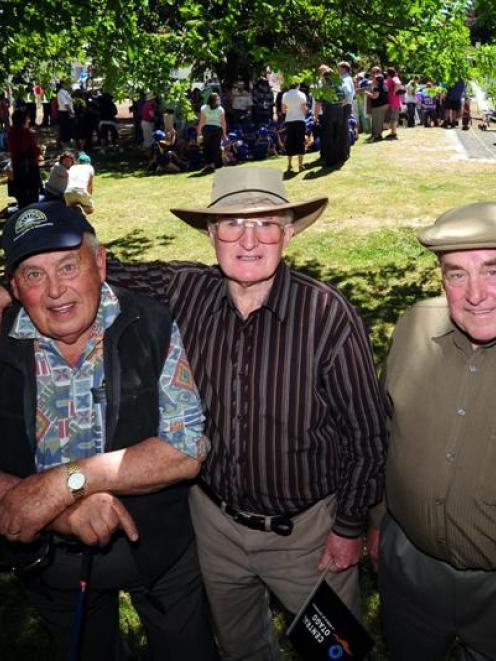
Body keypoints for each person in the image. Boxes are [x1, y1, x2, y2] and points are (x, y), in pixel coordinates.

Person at [103, 167, 387, 661]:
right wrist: (25, 276)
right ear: (211, 235)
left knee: (334, 653)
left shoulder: (328, 316)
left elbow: (367, 436)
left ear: (289, 232)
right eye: (232, 224)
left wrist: (347, 528)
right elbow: (93, 269)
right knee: (241, 649)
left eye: (266, 224)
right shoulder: (187, 291)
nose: (249, 240)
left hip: (308, 536)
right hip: (215, 527)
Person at [0, 201, 218, 661]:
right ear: (15, 288)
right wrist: (60, 515)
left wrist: (69, 482)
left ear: (99, 264)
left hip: (159, 551)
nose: (56, 290)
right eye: (34, 275)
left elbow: (184, 449)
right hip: (50, 561)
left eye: (67, 265)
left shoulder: (149, 324)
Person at [375, 202, 496, 661]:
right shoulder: (413, 327)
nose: (477, 294)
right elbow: (387, 432)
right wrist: (378, 523)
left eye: (492, 270)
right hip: (409, 570)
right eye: (456, 274)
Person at [7, 109, 42, 209]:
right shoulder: (25, 132)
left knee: (21, 192)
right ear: (23, 119)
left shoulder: (11, 131)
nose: (29, 120)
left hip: (17, 165)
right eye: (27, 118)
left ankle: (23, 210)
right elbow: (25, 148)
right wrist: (37, 149)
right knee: (32, 193)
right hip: (29, 166)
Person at [197, 92, 227, 174]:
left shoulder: (204, 108)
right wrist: (224, 134)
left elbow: (202, 121)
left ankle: (208, 165)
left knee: (207, 147)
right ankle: (212, 165)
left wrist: (199, 131)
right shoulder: (220, 109)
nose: (219, 100)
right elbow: (223, 123)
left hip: (207, 129)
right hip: (216, 129)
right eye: (218, 99)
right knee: (214, 147)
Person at [281, 81, 308, 172]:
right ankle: (300, 165)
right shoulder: (302, 94)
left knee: (290, 142)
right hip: (300, 120)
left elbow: (284, 110)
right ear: (298, 85)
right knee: (300, 141)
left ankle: (289, 165)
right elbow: (304, 109)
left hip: (289, 120)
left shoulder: (285, 95)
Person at [365, 69, 389, 142]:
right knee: (380, 121)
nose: (373, 80)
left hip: (378, 106)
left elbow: (375, 96)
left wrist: (368, 94)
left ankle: (377, 136)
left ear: (377, 80)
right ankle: (376, 135)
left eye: (375, 79)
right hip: (385, 105)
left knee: (376, 122)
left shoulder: (377, 87)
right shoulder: (384, 86)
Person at [384, 67, 403, 140]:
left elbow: (398, 84)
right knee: (394, 117)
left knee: (393, 118)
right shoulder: (395, 78)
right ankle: (393, 132)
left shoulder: (393, 79)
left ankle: (393, 133)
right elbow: (399, 84)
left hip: (392, 100)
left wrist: (394, 92)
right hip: (396, 100)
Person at [56, 80, 75, 148]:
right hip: (64, 113)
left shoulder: (66, 92)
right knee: (64, 129)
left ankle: (67, 144)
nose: (69, 85)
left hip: (67, 112)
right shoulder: (61, 93)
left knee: (68, 129)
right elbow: (65, 104)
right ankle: (63, 145)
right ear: (63, 85)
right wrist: (71, 112)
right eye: (67, 84)